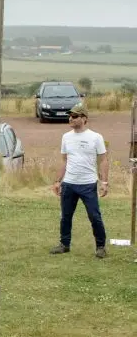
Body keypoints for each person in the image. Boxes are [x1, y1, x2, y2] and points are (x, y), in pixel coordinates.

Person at [50, 104, 108, 258]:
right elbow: (64, 160)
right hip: (69, 184)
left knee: (94, 216)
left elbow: (103, 160)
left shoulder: (96, 137)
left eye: (75, 116)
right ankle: (64, 244)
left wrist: (104, 182)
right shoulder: (66, 137)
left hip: (88, 184)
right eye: (70, 116)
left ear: (84, 118)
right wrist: (58, 181)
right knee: (65, 216)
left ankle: (101, 247)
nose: (71, 119)